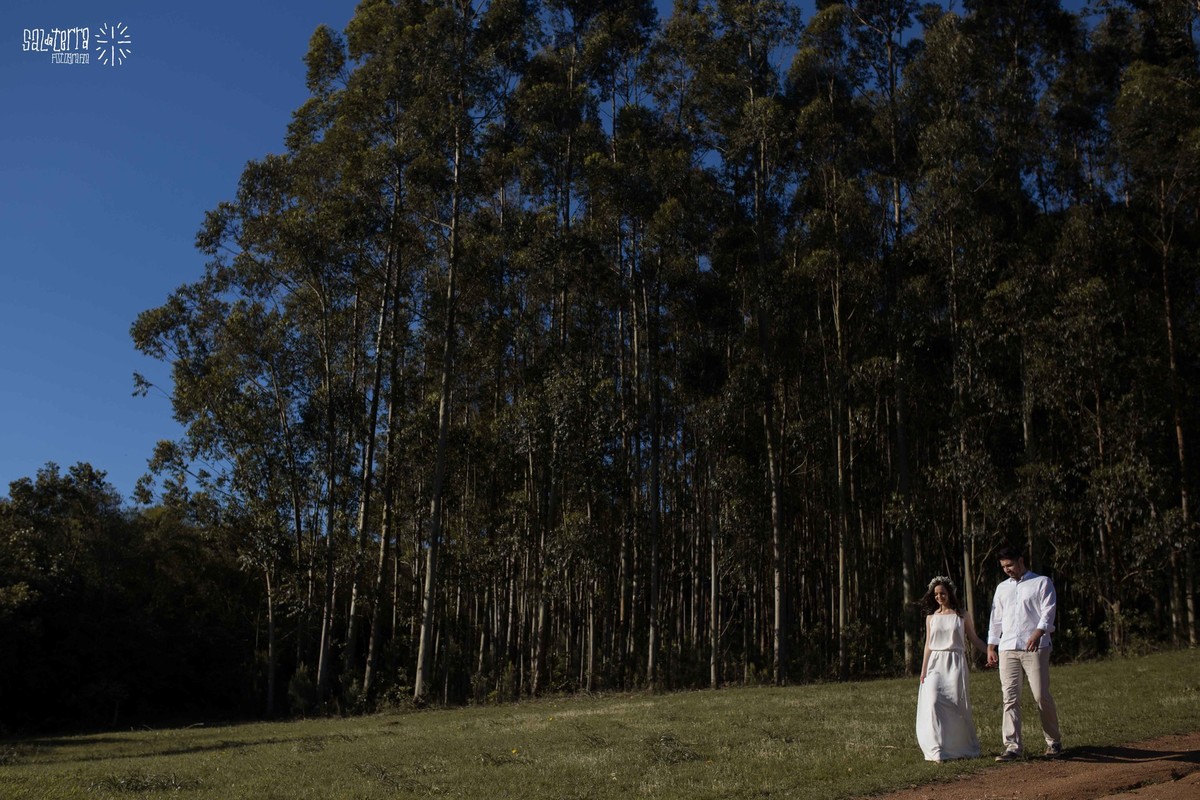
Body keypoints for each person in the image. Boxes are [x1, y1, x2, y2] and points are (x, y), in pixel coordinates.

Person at [986, 545, 1063, 761]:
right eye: (1003, 567)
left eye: (1009, 565)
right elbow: (996, 618)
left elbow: (1048, 612)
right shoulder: (1002, 588)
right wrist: (991, 646)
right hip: (1008, 647)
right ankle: (1012, 746)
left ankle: (1053, 741)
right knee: (1009, 697)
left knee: (1040, 695)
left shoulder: (1041, 583)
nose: (1007, 570)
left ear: (1021, 561)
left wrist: (1038, 632)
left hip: (1035, 647)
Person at [916, 576, 986, 762]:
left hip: (955, 663)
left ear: (950, 593)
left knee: (956, 705)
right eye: (936, 594)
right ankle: (937, 748)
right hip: (935, 664)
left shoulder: (961, 615)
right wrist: (923, 670)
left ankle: (958, 747)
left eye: (943, 593)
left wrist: (991, 650)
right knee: (932, 701)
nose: (939, 597)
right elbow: (928, 645)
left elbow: (974, 638)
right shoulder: (931, 618)